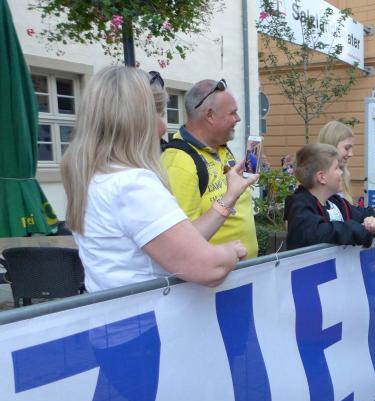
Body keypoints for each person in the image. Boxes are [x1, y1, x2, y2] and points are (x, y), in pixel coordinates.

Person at [62, 66, 246, 293]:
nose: (163, 127)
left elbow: (179, 241)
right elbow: (209, 268)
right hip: (148, 311)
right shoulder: (133, 185)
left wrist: (229, 196)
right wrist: (230, 252)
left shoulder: (96, 177)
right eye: (160, 114)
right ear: (138, 121)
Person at [284, 143, 375, 401]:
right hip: (312, 307)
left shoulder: (337, 202)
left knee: (347, 367)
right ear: (321, 176)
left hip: (341, 301)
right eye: (337, 168)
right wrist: (361, 231)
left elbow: (368, 216)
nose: (343, 171)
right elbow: (315, 232)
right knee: (319, 376)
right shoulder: (300, 204)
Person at [162, 79, 258, 259]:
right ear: (210, 115)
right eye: (233, 113)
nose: (238, 118)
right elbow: (181, 242)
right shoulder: (179, 161)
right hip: (215, 274)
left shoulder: (220, 146)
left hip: (243, 272)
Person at [318, 121, 356, 203]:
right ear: (331, 146)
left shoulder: (344, 174)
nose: (351, 154)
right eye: (347, 148)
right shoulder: (312, 180)